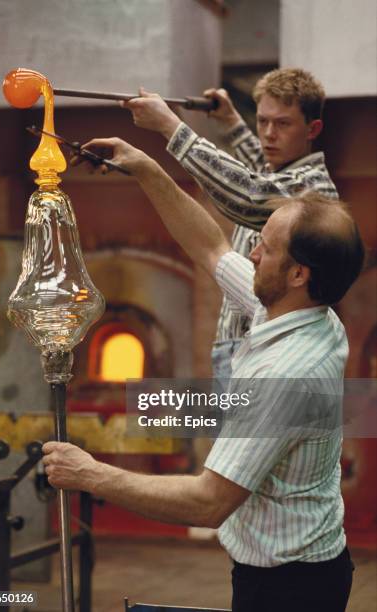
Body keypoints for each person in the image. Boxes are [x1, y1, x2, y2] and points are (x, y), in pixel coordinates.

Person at [43, 138, 364, 612]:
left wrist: (90, 473)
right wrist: (148, 168)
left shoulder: (287, 374)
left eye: (266, 247)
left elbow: (208, 501)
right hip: (294, 570)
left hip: (291, 590)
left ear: (299, 273)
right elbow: (210, 246)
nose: (252, 254)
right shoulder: (296, 309)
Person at [120, 68, 338, 379]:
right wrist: (232, 121)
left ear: (312, 128)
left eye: (283, 124)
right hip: (235, 345)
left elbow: (249, 194)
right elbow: (260, 171)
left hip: (267, 350)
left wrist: (170, 126)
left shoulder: (313, 190)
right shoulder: (280, 171)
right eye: (263, 121)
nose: (269, 133)